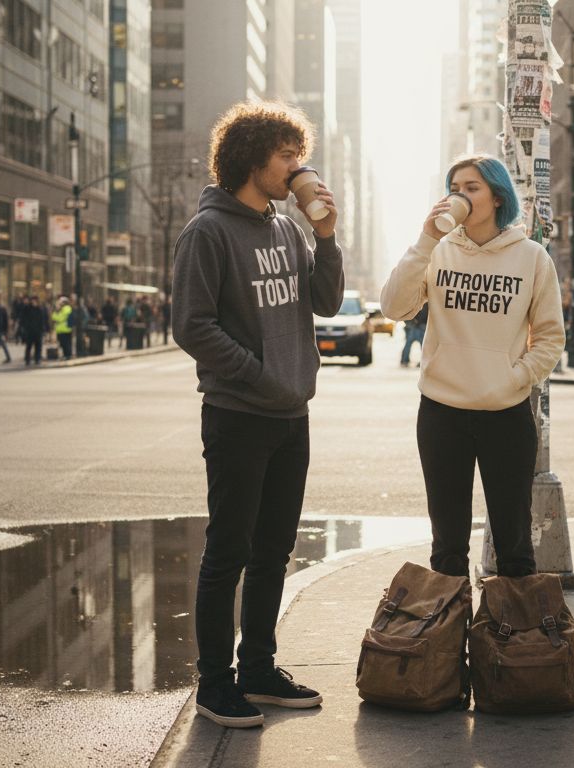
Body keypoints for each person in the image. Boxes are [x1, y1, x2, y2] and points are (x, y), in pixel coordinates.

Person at [171, 101, 343, 729]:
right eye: (288, 157)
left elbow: (324, 302)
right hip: (239, 414)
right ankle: (216, 684)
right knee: (229, 552)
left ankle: (259, 669)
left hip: (290, 415)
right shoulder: (208, 232)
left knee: (274, 551)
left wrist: (325, 235)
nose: (300, 166)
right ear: (251, 160)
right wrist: (258, 374)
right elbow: (191, 325)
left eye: (300, 154)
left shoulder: (287, 227)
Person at [381, 153, 565, 582]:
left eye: (471, 187)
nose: (459, 196)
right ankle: (446, 647)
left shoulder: (532, 257)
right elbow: (393, 306)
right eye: (454, 188)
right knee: (446, 549)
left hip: (506, 414)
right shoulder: (438, 251)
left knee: (515, 547)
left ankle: (514, 647)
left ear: (497, 196)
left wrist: (514, 378)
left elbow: (551, 337)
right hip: (442, 412)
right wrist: (426, 240)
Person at [20, 295, 48, 365]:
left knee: (38, 346)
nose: (34, 302)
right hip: (30, 331)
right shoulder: (27, 309)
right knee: (29, 346)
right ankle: (27, 359)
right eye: (33, 301)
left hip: (38, 331)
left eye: (35, 301)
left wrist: (43, 329)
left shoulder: (40, 309)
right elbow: (23, 319)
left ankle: (37, 359)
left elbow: (42, 320)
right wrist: (25, 328)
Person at [399, 302, 428, 367]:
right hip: (419, 325)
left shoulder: (415, 300)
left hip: (416, 325)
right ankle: (423, 361)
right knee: (423, 345)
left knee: (409, 344)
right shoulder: (426, 301)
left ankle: (404, 360)